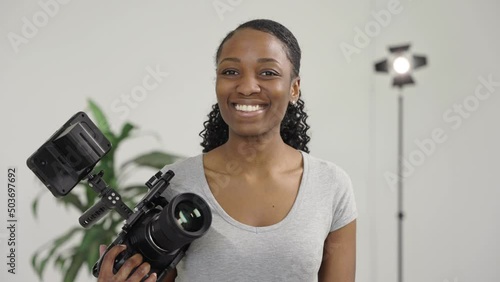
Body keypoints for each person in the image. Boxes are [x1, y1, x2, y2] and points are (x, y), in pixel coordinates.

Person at [97, 19, 357, 282]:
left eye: (268, 72)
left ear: (294, 88)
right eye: (231, 72)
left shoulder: (331, 185)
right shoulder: (176, 183)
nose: (246, 87)